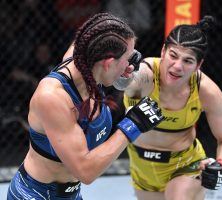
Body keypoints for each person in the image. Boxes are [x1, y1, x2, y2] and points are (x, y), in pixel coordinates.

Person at [7, 12, 164, 200]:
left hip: (72, 194)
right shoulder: (53, 97)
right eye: (126, 59)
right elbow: (85, 171)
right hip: (35, 194)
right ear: (107, 62)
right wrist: (132, 125)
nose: (129, 64)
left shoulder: (90, 62)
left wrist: (123, 72)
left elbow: (94, 31)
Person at [113, 16, 222, 200]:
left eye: (188, 61)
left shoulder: (207, 91)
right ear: (163, 51)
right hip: (141, 167)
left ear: (199, 65)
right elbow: (129, 82)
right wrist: (123, 74)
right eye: (173, 55)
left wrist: (221, 165)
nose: (177, 66)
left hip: (185, 164)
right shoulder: (147, 74)